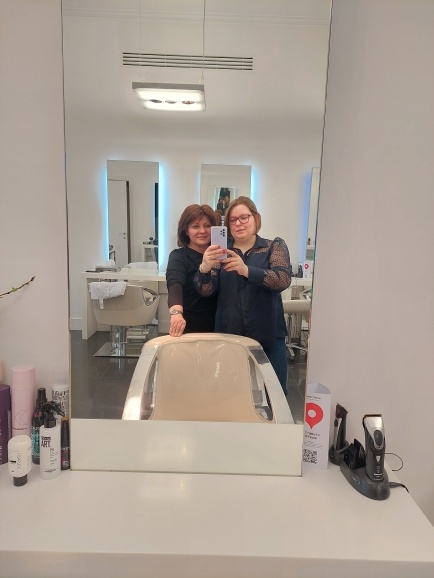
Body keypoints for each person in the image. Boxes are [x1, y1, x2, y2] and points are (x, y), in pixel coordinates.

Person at [194, 196, 292, 394]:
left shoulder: (273, 247)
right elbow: (207, 289)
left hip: (269, 334)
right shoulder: (222, 251)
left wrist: (246, 270)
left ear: (256, 218)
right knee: (230, 394)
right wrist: (204, 268)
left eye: (244, 217)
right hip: (230, 334)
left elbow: (282, 279)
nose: (238, 223)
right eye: (232, 220)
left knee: (274, 394)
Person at [166, 204, 219, 337]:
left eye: (207, 226)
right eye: (195, 226)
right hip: (190, 327)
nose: (202, 231)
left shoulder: (221, 254)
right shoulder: (179, 256)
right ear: (186, 230)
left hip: (222, 326)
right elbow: (175, 283)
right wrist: (176, 313)